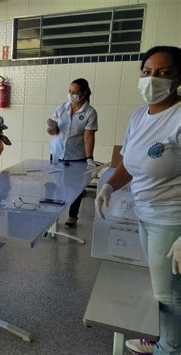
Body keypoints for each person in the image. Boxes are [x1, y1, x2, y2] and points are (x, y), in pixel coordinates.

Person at [95, 46, 181, 355]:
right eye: (147, 72)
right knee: (164, 289)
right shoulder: (138, 115)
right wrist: (109, 186)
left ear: (178, 77)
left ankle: (169, 348)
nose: (152, 79)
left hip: (172, 219)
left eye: (163, 73)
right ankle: (165, 339)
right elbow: (129, 163)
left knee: (168, 295)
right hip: (144, 214)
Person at [46, 78, 98, 227]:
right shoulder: (62, 108)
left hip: (76, 156)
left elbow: (88, 136)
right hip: (56, 153)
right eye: (69, 91)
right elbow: (54, 132)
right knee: (55, 185)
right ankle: (52, 217)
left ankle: (72, 217)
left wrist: (89, 158)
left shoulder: (90, 112)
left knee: (76, 188)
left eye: (74, 92)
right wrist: (51, 127)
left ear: (84, 93)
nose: (71, 94)